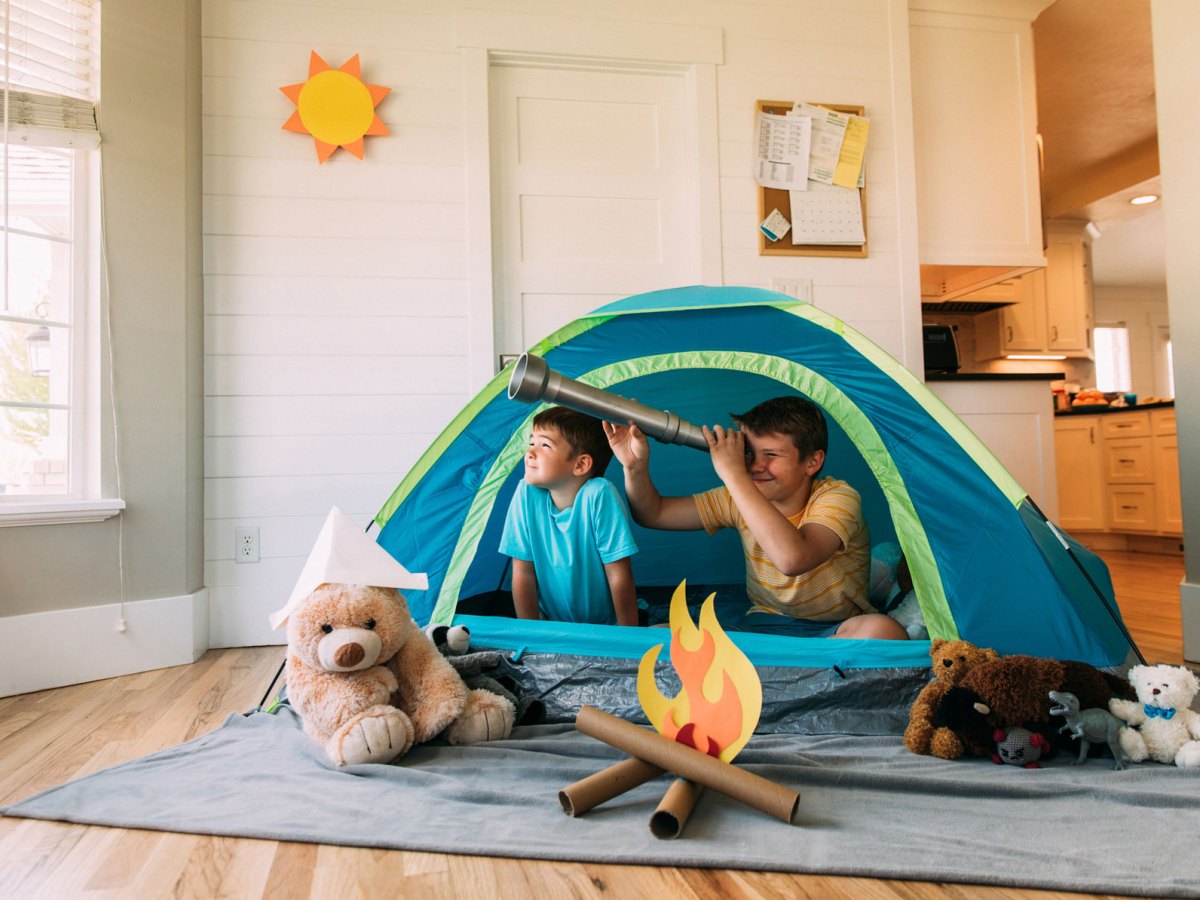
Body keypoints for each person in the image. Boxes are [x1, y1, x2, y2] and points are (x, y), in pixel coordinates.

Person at [604, 395, 906, 639]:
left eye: (771, 456)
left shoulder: (837, 497)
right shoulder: (739, 494)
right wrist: (634, 467)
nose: (756, 466)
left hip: (832, 631)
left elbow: (793, 560)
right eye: (749, 454)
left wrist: (735, 475)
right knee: (660, 635)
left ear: (812, 462)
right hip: (764, 627)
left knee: (883, 631)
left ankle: (785, 673)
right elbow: (653, 513)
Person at [499, 406, 640, 627]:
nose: (530, 453)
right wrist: (531, 633)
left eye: (544, 445)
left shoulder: (598, 494)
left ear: (580, 464)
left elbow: (619, 574)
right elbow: (522, 572)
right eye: (531, 443)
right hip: (552, 624)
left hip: (606, 626)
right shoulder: (526, 493)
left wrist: (628, 636)